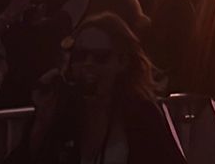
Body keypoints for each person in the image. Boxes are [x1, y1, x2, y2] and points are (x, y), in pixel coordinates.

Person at [19, 12, 184, 164]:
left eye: (101, 57)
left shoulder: (140, 114)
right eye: (80, 56)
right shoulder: (62, 112)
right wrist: (42, 121)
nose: (88, 64)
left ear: (122, 62)